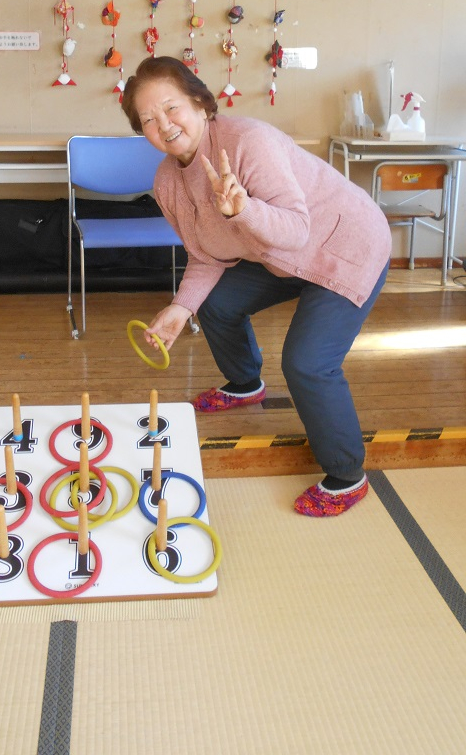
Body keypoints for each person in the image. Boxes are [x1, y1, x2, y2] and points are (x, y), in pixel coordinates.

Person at [121, 56, 391, 517]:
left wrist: (243, 209)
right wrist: (180, 308)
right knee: (215, 303)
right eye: (147, 119)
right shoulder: (167, 181)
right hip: (276, 256)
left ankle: (348, 476)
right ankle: (246, 384)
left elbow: (297, 230)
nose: (163, 125)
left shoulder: (249, 141)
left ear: (201, 103)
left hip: (345, 246)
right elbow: (207, 254)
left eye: (171, 108)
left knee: (307, 363)